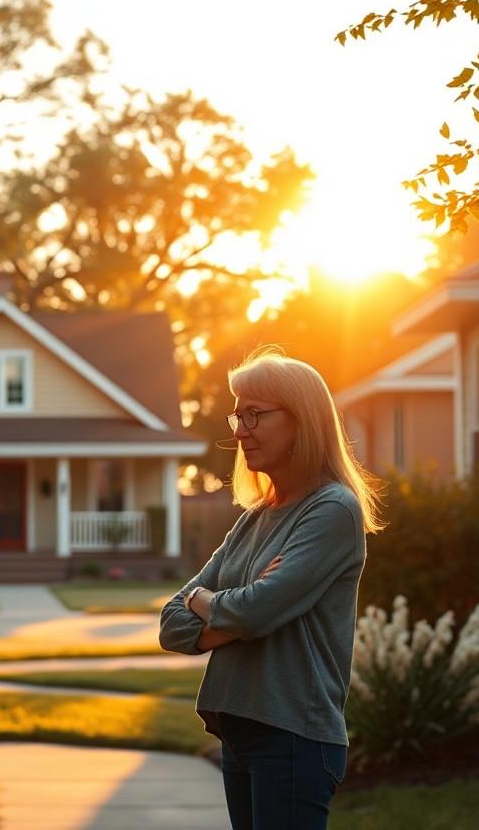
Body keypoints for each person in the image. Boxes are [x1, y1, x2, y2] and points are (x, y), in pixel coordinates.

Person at [159, 346, 383, 830]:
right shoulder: (254, 519)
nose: (239, 430)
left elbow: (253, 613)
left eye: (255, 415)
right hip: (241, 727)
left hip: (293, 735)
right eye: (237, 415)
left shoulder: (331, 511)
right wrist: (222, 609)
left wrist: (213, 606)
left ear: (302, 420)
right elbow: (172, 625)